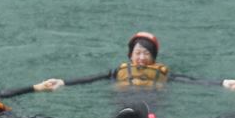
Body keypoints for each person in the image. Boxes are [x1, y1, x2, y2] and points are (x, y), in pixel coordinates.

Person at [41, 32, 219, 90]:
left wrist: (224, 83)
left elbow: (192, 80)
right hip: (125, 100)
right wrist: (62, 82)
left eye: (147, 53)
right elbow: (91, 79)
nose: (142, 57)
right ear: (130, 55)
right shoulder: (118, 72)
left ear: (153, 57)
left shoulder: (165, 73)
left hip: (152, 101)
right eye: (138, 53)